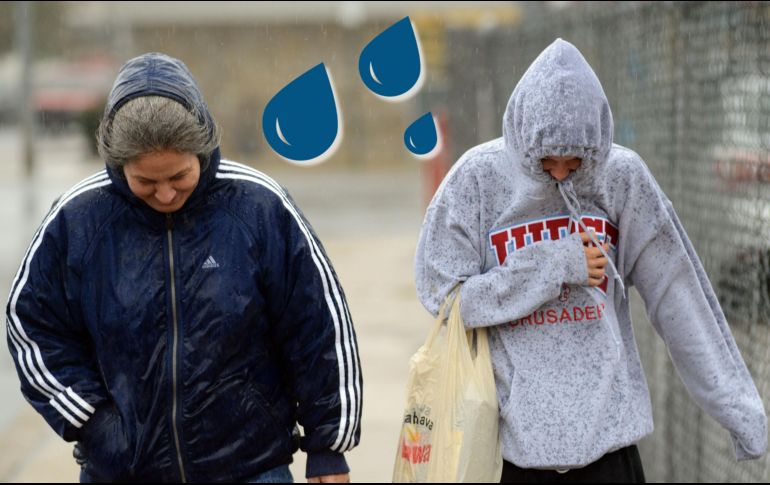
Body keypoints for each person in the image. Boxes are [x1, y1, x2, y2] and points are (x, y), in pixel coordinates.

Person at [415, 38, 767, 482]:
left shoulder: (621, 177)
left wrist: (737, 408)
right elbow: (445, 300)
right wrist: (555, 264)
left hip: (610, 446)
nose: (561, 171)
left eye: (575, 160)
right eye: (547, 160)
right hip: (510, 450)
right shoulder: (477, 179)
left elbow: (677, 292)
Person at [5, 52, 362, 483]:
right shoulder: (78, 219)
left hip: (251, 467)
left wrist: (328, 446)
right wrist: (92, 421)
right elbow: (30, 325)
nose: (166, 194)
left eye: (178, 176)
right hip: (123, 472)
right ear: (120, 165)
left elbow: (317, 327)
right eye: (146, 182)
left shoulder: (259, 207)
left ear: (203, 148)